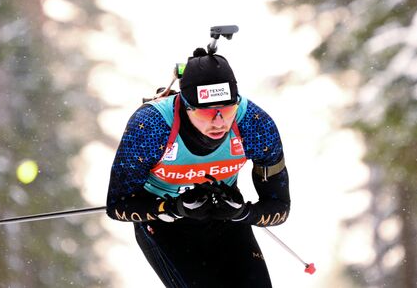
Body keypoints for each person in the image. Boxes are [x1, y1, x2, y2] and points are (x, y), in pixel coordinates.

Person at [106, 47, 291, 288]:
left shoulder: (254, 124)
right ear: (185, 106)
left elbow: (280, 207)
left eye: (226, 110)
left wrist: (242, 212)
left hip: (225, 219)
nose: (219, 122)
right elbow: (117, 204)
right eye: (206, 113)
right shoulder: (152, 126)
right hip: (164, 225)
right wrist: (173, 208)